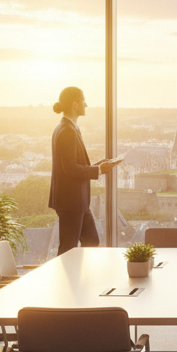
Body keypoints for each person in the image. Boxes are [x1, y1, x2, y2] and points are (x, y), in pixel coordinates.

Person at [49, 86, 117, 255]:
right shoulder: (67, 131)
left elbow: (71, 165)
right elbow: (70, 169)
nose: (86, 104)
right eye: (83, 101)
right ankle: (66, 280)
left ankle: (79, 275)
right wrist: (98, 170)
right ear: (74, 104)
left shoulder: (67, 128)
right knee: (68, 248)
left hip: (78, 201)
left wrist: (98, 166)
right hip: (71, 201)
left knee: (91, 240)